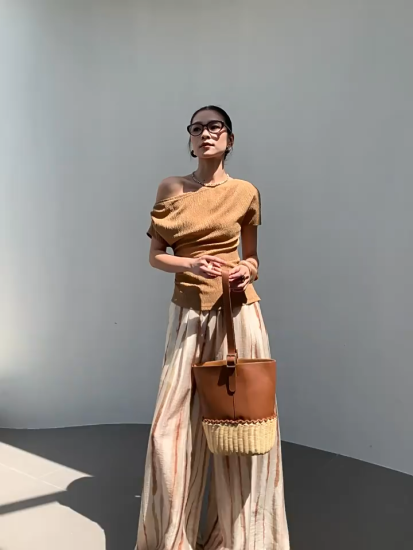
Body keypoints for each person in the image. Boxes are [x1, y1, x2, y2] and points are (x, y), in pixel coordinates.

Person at [136, 106, 290, 550]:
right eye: (197, 127)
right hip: (188, 316)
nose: (206, 133)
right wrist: (191, 264)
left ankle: (241, 539)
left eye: (215, 127)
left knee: (241, 423)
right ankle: (172, 539)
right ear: (190, 139)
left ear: (230, 139)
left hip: (238, 314)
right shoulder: (172, 188)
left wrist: (245, 269)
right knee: (170, 432)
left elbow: (253, 258)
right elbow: (156, 255)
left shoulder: (245, 192)